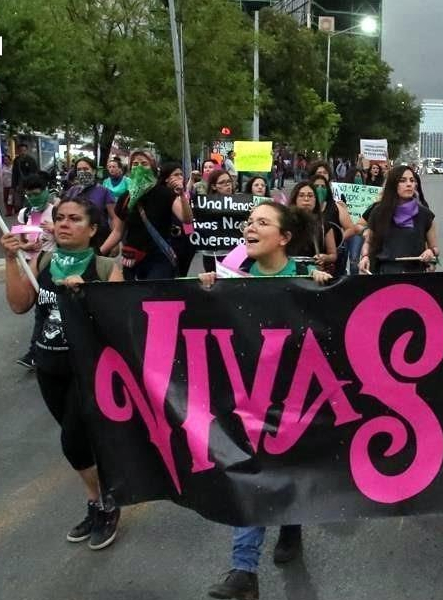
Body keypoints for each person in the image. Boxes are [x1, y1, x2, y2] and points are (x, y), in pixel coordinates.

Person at [201, 201, 332, 600]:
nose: (249, 228)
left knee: (289, 470)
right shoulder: (231, 278)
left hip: (298, 398)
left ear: (285, 238)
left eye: (262, 222)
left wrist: (326, 289)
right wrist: (205, 292)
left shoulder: (308, 278)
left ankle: (291, 525)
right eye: (248, 222)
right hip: (248, 399)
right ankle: (244, 571)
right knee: (251, 474)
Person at [3, 196, 124, 550]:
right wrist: (13, 259)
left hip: (86, 370)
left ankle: (106, 503)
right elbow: (18, 304)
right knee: (81, 443)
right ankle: (98, 501)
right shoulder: (41, 260)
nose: (64, 224)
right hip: (48, 367)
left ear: (93, 228)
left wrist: (87, 296)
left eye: (74, 219)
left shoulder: (105, 267)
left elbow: (117, 323)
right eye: (60, 218)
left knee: (73, 442)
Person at [105, 158, 189, 280]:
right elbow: (118, 232)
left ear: (153, 168)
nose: (139, 167)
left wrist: (182, 194)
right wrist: (98, 252)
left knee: (153, 296)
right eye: (135, 164)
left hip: (159, 259)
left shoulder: (165, 194)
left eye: (144, 163)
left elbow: (186, 219)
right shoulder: (126, 198)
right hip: (132, 258)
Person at [13, 174, 57, 370]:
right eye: (29, 195)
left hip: (52, 267)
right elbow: (19, 240)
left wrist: (55, 229)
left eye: (37, 194)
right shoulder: (24, 213)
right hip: (31, 267)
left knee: (44, 309)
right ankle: (39, 350)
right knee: (40, 309)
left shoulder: (57, 211)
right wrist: (25, 246)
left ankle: (36, 351)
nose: (33, 198)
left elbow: (71, 237)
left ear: (46, 190)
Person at [358, 165, 437, 275]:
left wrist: (431, 252)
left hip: (415, 275)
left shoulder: (425, 214)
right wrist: (365, 257)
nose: (409, 184)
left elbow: (435, 248)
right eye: (402, 181)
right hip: (384, 273)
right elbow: (368, 242)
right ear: (393, 185)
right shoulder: (378, 212)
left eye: (412, 180)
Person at [287, 181, 339, 271]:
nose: (306, 199)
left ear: (315, 200)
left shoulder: (324, 225)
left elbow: (333, 255)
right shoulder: (284, 222)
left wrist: (324, 258)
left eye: (310, 196)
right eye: (301, 195)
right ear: (295, 199)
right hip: (289, 271)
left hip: (315, 274)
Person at [65, 157, 116, 245]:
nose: (82, 172)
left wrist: (114, 242)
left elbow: (113, 218)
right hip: (76, 239)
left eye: (86, 169)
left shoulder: (104, 191)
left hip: (99, 239)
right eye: (79, 170)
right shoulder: (72, 191)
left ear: (94, 171)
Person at [11, 143, 39, 211]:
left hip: (29, 184)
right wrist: (14, 186)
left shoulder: (31, 160)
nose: (22, 152)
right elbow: (14, 173)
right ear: (18, 151)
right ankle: (22, 214)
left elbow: (35, 172)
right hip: (20, 183)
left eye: (24, 150)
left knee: (30, 201)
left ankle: (30, 215)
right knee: (19, 202)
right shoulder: (16, 160)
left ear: (27, 150)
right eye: (21, 150)